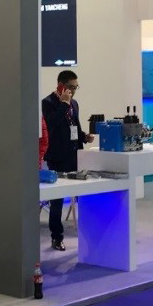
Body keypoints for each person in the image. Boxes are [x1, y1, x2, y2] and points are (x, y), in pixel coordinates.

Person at [41, 70, 94, 251]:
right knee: (57, 200)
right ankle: (57, 237)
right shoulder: (48, 103)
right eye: (71, 87)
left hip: (74, 156)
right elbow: (51, 125)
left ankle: (89, 234)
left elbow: (74, 127)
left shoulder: (75, 104)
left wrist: (83, 137)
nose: (74, 91)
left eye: (76, 87)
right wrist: (64, 104)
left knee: (84, 194)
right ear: (61, 85)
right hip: (57, 158)